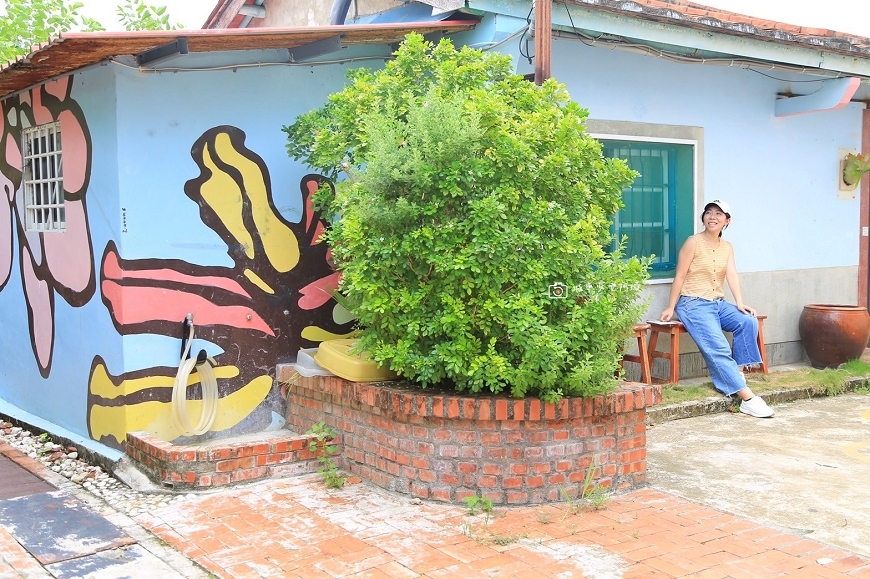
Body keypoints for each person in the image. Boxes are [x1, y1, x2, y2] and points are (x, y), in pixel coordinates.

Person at [659, 199, 774, 418]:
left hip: (717, 303)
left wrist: (739, 302)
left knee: (748, 321)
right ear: (703, 218)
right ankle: (748, 399)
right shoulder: (693, 242)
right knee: (718, 346)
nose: (712, 217)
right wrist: (671, 306)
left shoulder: (727, 247)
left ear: (727, 221)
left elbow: (731, 274)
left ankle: (737, 375)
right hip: (693, 304)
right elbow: (680, 275)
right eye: (709, 213)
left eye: (719, 214)